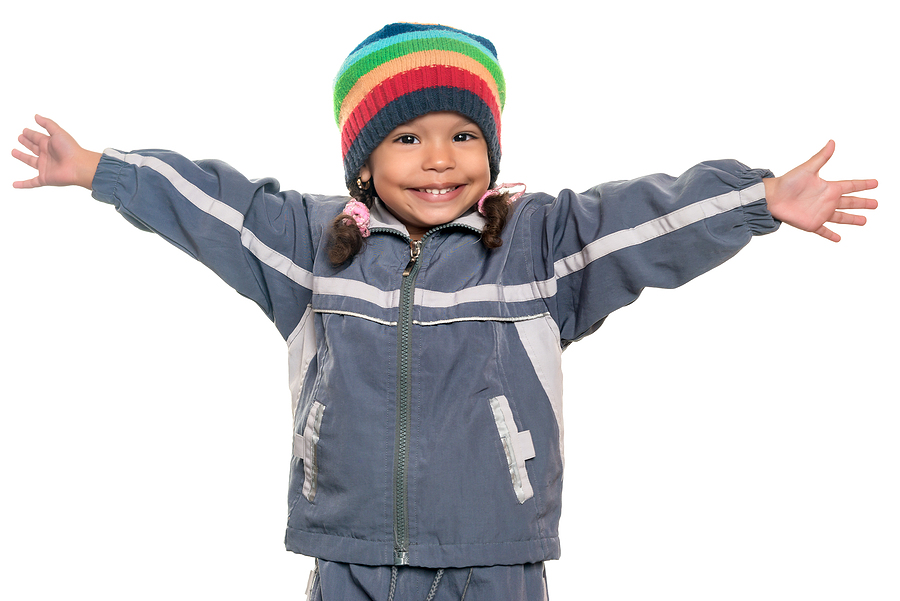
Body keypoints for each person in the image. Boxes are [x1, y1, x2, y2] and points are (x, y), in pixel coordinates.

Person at [11, 22, 877, 601]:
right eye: (407, 136)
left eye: (463, 135)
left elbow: (647, 221)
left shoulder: (538, 244)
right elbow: (216, 208)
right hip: (348, 553)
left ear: (490, 148)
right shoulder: (313, 246)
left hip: (495, 556)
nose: (438, 160)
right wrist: (100, 169)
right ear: (363, 158)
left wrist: (757, 200)